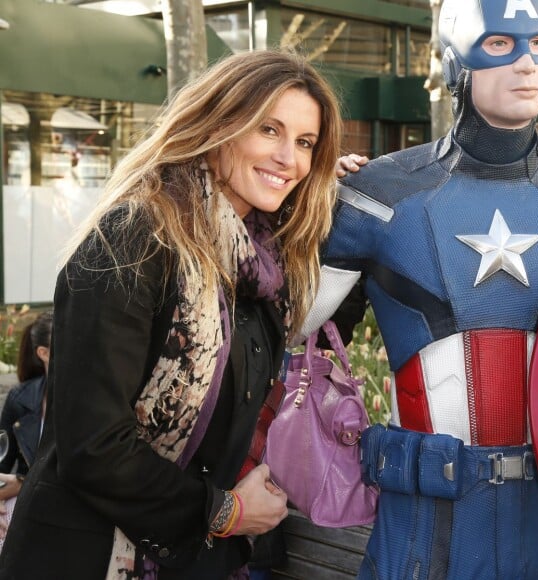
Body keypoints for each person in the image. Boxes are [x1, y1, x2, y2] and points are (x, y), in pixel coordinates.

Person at [0, 49, 342, 580]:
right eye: (268, 130)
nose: (289, 159)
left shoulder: (263, 266)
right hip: (89, 558)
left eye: (305, 143)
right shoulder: (136, 236)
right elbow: (92, 444)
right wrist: (224, 513)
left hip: (202, 563)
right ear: (220, 124)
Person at [301, 0, 538, 578]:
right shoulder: (380, 193)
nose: (527, 65)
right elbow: (281, 332)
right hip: (426, 525)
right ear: (456, 61)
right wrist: (300, 210)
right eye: (500, 44)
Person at [0, 310, 53, 536]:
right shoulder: (20, 399)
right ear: (43, 353)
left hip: (67, 512)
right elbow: (1, 461)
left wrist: (22, 484)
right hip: (23, 509)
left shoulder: (93, 399)